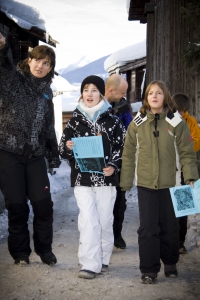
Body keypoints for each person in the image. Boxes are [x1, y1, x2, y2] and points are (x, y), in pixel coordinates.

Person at [120, 80, 199, 284]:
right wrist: (126, 181)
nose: (154, 96)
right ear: (146, 98)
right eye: (150, 93)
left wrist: (190, 175)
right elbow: (128, 154)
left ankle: (170, 263)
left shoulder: (176, 121)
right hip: (146, 184)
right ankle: (149, 269)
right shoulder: (137, 122)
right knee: (148, 228)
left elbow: (187, 153)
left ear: (166, 97)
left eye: (159, 93)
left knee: (171, 227)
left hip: (172, 184)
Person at [0, 32, 61, 265]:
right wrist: (4, 46)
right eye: (38, 60)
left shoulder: (47, 93)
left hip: (35, 155)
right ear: (29, 60)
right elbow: (2, 64)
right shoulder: (13, 80)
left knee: (43, 204)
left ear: (50, 68)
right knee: (16, 205)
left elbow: (48, 128)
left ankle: (45, 250)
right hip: (8, 152)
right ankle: (21, 254)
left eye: (46, 63)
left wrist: (53, 156)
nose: (41, 65)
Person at [59, 75, 125, 279]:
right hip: (82, 178)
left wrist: (113, 165)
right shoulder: (73, 122)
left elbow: (122, 149)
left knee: (105, 220)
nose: (89, 93)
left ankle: (103, 258)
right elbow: (61, 149)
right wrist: (68, 147)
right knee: (88, 219)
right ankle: (89, 263)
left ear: (101, 94)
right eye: (86, 89)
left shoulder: (113, 121)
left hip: (106, 178)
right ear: (82, 93)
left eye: (94, 89)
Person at [105, 74, 132, 249]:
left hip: (119, 161)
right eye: (122, 92)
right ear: (111, 90)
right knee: (101, 202)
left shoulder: (123, 108)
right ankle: (101, 236)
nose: (124, 96)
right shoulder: (95, 103)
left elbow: (131, 130)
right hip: (100, 161)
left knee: (119, 202)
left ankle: (116, 235)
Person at [172, 93, 200, 254]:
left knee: (182, 208)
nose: (180, 115)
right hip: (170, 170)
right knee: (169, 208)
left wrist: (186, 140)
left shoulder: (191, 122)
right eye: (177, 111)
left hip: (184, 170)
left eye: (182, 112)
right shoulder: (167, 121)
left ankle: (180, 241)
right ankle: (168, 239)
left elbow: (197, 143)